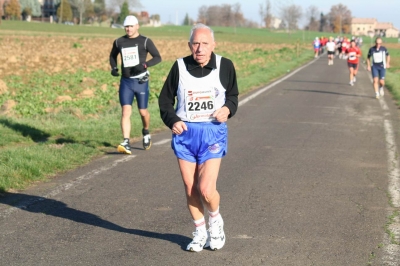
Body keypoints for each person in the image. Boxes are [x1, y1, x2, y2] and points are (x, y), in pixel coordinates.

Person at [158, 23, 238, 252]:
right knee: (190, 187)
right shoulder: (180, 67)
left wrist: (228, 109)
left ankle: (215, 220)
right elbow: (165, 101)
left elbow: (233, 96)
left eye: (204, 43)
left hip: (212, 131)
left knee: (206, 189)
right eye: (195, 43)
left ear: (213, 44)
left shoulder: (225, 66)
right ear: (189, 45)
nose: (200, 48)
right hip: (185, 134)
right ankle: (200, 231)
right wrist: (173, 120)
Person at [109, 15, 162, 154]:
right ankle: (126, 142)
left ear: (137, 26)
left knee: (143, 112)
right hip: (126, 81)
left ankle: (146, 132)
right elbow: (112, 56)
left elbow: (158, 57)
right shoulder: (119, 41)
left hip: (140, 81)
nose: (128, 29)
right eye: (126, 26)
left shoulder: (145, 41)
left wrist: (145, 64)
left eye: (131, 26)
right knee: (126, 111)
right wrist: (114, 68)